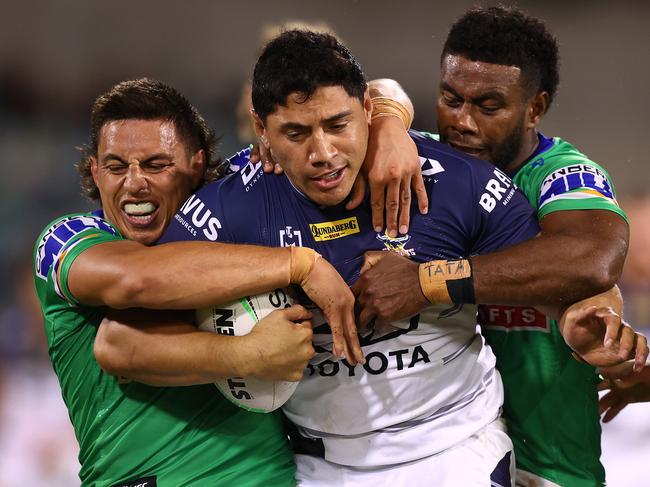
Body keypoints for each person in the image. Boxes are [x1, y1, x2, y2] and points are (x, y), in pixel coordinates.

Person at [153, 28, 544, 485]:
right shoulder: (231, 203)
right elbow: (148, 296)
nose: (323, 153)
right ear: (262, 130)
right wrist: (241, 351)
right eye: (295, 133)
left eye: (338, 125)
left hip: (456, 447)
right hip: (320, 466)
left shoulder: (453, 178)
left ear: (368, 111)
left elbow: (547, 271)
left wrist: (430, 281)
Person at [353, 6, 647, 486]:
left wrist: (428, 282)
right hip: (437, 459)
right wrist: (386, 121)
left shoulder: (561, 175)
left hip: (548, 467)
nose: (463, 122)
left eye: (489, 107)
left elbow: (591, 258)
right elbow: (372, 94)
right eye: (451, 99)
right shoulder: (415, 160)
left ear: (535, 108)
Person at [33, 78, 370, 486]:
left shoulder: (231, 216)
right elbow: (136, 281)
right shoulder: (69, 240)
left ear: (197, 163)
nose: (135, 182)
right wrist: (297, 270)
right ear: (95, 171)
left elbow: (371, 96)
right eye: (116, 166)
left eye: (156, 165)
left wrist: (390, 123)